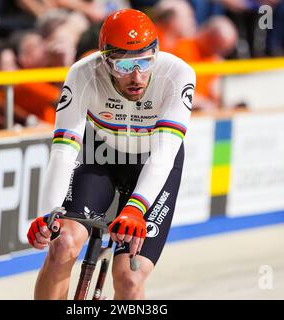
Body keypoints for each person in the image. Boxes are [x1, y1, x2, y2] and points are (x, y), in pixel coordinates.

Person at [27, 8, 196, 299]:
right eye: (123, 66)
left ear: (156, 54)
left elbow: (164, 155)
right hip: (101, 156)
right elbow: (64, 151)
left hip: (152, 162)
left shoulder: (177, 74)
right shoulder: (83, 73)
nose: (136, 76)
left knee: (129, 277)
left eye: (145, 62)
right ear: (105, 61)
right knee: (63, 244)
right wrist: (49, 214)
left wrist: (135, 208)